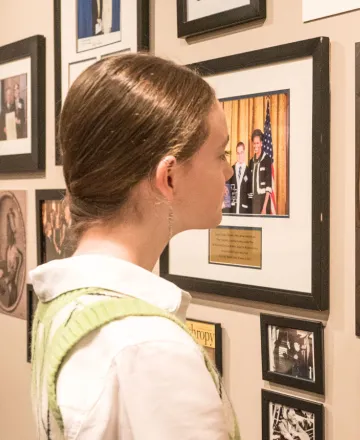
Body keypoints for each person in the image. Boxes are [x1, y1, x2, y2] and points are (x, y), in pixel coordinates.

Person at [28, 53, 239, 439]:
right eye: (220, 154)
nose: (228, 171)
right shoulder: (149, 346)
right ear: (169, 177)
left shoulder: (62, 303)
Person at [248, 129, 273, 214]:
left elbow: (268, 186)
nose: (255, 145)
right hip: (254, 202)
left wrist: (264, 207)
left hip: (264, 202)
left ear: (261, 144)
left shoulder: (267, 159)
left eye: (257, 143)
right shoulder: (251, 162)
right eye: (254, 143)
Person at [226, 141, 251, 214]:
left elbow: (250, 197)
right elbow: (227, 193)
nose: (240, 155)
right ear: (236, 154)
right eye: (238, 153)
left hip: (244, 212)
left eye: (242, 152)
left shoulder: (249, 172)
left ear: (244, 153)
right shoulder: (231, 170)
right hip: (232, 211)